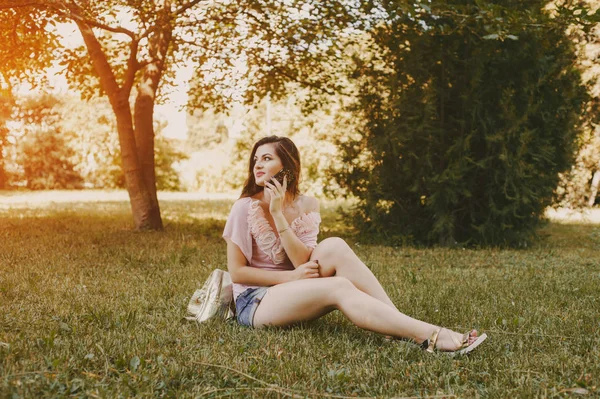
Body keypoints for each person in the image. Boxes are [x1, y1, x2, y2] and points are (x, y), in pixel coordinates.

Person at [222, 135, 487, 354]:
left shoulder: (306, 205)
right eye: (256, 159)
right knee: (339, 286)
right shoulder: (245, 207)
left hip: (295, 287)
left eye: (267, 158)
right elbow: (238, 273)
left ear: (288, 165)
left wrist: (279, 215)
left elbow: (304, 263)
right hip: (255, 301)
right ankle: (430, 336)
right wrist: (292, 277)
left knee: (334, 245)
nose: (257, 165)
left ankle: (395, 327)